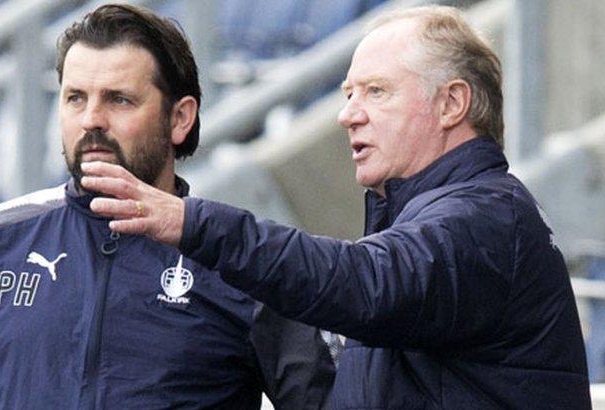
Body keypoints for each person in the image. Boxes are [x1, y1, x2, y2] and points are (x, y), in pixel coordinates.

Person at [79, 5, 592, 409]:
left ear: (452, 104)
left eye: (375, 91)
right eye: (348, 93)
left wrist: (194, 222)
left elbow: (366, 282)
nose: (348, 115)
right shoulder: (430, 214)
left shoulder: (486, 219)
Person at [0, 4, 336, 409]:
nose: (92, 119)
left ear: (180, 118)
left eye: (119, 99)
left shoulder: (241, 262)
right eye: (76, 98)